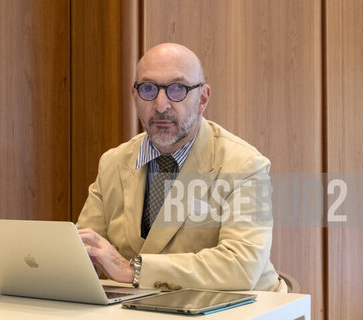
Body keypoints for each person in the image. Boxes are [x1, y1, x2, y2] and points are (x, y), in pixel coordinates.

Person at [76, 43, 287, 292]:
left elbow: (240, 266)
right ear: (135, 97)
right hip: (146, 308)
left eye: (178, 89)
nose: (161, 105)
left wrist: (133, 270)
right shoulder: (112, 162)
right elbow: (83, 250)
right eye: (148, 89)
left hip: (241, 310)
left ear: (203, 99)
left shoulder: (245, 165)